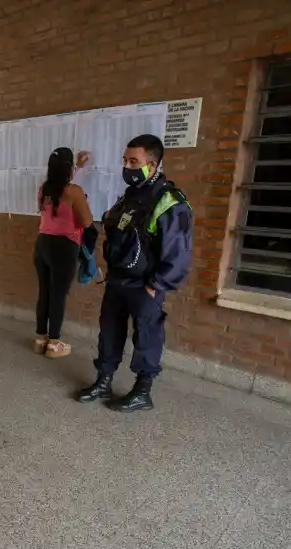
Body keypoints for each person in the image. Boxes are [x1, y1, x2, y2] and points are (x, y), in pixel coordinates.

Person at [75, 134, 192, 412]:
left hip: (146, 285)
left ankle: (143, 390)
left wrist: (156, 285)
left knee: (147, 336)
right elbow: (114, 226)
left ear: (153, 165)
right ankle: (104, 381)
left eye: (133, 161)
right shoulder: (130, 196)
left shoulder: (170, 202)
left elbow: (179, 253)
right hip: (118, 280)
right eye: (125, 160)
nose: (127, 166)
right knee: (110, 331)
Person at [33, 148, 93, 358]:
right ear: (68, 168)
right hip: (64, 247)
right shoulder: (74, 191)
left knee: (45, 292)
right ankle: (54, 343)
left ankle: (41, 339)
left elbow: (61, 190)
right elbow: (87, 221)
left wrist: (77, 167)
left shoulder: (44, 189)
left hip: (42, 245)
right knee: (59, 295)